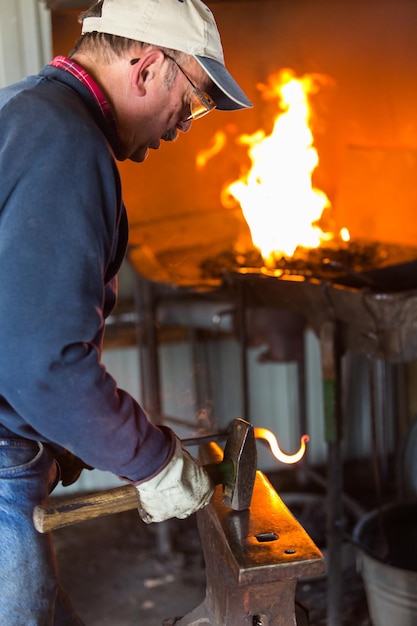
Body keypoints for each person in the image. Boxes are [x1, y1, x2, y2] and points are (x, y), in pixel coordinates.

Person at [0, 0, 252, 623]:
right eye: (191, 101)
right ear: (147, 68)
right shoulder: (65, 142)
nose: (184, 125)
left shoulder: (25, 109)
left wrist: (56, 432)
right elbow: (45, 361)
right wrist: (152, 461)